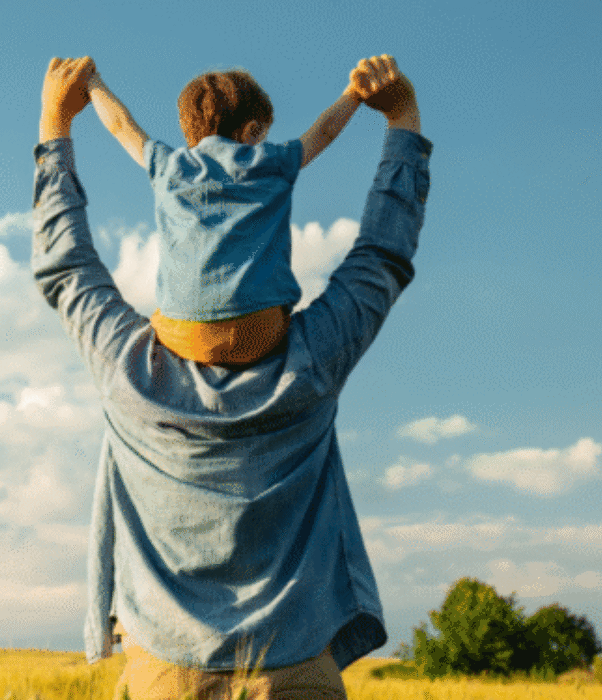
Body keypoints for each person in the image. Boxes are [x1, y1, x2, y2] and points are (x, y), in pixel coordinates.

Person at [32, 55, 431, 700]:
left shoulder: (125, 370)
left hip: (163, 674)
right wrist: (401, 122)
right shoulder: (315, 360)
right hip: (294, 671)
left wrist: (56, 125)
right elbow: (382, 256)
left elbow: (66, 265)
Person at [85, 64, 372, 367]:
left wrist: (93, 83)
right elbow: (324, 131)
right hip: (260, 331)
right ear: (252, 130)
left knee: (159, 321)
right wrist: (354, 94)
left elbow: (120, 125)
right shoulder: (271, 161)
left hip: (185, 334)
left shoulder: (169, 165)